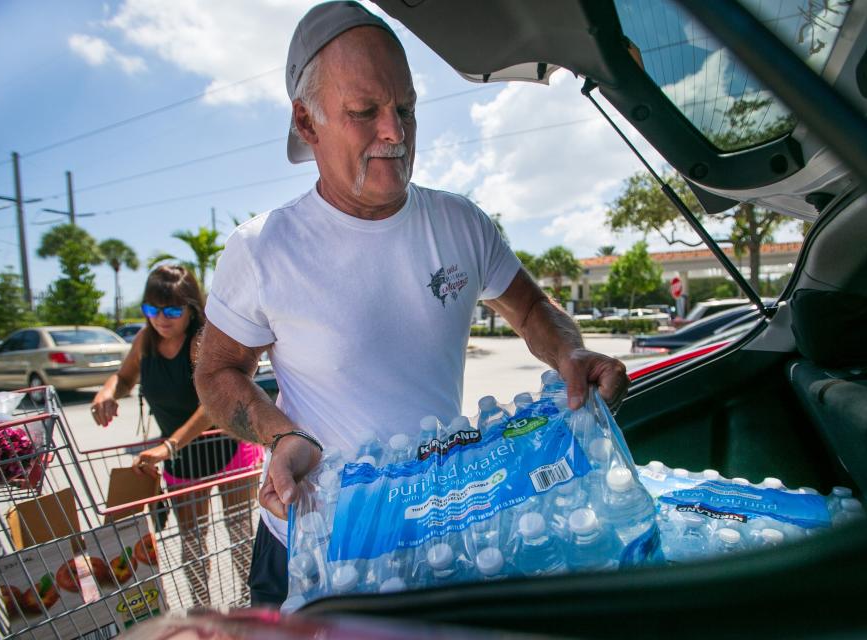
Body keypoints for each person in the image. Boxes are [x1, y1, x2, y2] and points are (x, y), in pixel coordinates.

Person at [194, 1, 629, 606]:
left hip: (440, 533)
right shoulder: (263, 249)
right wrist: (279, 434)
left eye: (406, 108)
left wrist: (570, 352)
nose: (394, 132)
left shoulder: (459, 223)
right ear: (306, 120)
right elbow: (217, 371)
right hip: (317, 547)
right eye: (364, 111)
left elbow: (532, 310)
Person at [91, 264, 263, 607]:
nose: (160, 318)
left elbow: (211, 405)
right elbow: (124, 378)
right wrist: (107, 392)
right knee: (193, 541)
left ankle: (249, 605)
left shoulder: (202, 341)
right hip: (182, 459)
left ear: (192, 308)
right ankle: (202, 610)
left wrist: (169, 445)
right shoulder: (145, 341)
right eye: (151, 309)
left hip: (226, 446)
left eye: (171, 310)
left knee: (239, 534)